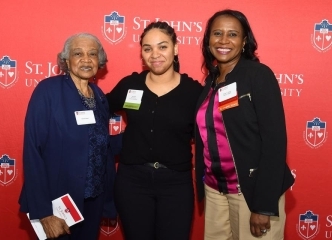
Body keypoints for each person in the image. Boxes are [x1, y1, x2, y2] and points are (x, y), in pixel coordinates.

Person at [194, 9, 295, 240]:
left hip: (250, 191)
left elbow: (275, 142)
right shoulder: (210, 82)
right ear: (208, 39)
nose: (223, 40)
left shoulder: (258, 76)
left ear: (244, 41)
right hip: (215, 190)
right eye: (217, 33)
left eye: (233, 34)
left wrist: (263, 206)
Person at [106, 21, 203, 240]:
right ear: (141, 53)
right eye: (148, 48)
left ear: (176, 48)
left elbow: (212, 134)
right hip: (132, 182)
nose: (155, 54)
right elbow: (99, 109)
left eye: (163, 46)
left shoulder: (193, 92)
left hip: (176, 184)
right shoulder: (130, 84)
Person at [18, 33, 117, 240]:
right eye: (78, 53)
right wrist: (44, 212)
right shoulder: (48, 91)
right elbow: (32, 151)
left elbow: (100, 145)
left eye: (92, 54)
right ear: (66, 60)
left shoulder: (98, 96)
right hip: (58, 203)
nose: (86, 59)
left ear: (100, 60)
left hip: (93, 201)